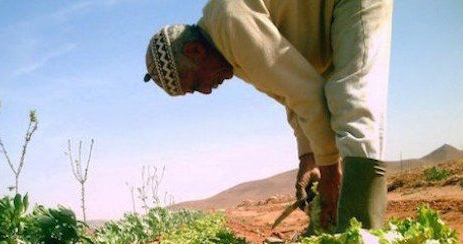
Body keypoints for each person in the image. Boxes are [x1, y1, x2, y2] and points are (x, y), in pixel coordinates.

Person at [144, 0, 393, 230]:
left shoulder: (231, 26)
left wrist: (329, 176)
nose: (207, 91)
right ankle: (344, 231)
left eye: (198, 83)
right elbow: (290, 94)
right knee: (340, 100)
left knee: (353, 98)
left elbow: (305, 94)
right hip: (327, 23)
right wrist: (309, 156)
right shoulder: (227, 51)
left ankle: (362, 241)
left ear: (195, 51)